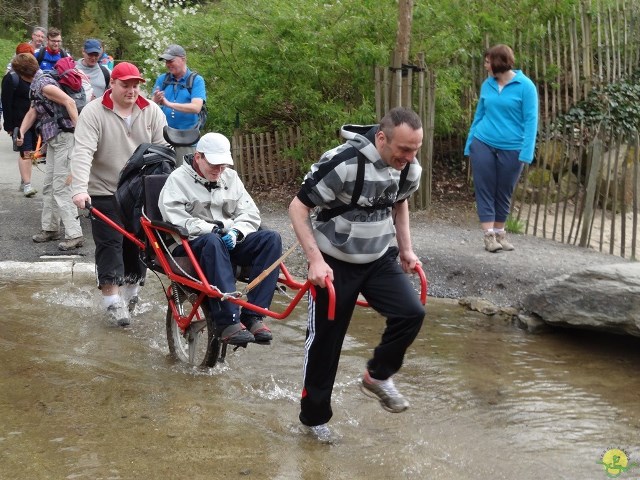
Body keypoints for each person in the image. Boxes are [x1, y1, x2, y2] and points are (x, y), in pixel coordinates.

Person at [288, 106, 426, 441]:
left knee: (411, 313)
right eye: (403, 150)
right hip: (333, 261)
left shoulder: (408, 169)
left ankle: (377, 376)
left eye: (415, 150)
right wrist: (314, 261)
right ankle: (314, 420)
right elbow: (298, 206)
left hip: (378, 256)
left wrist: (406, 249)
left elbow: (400, 203)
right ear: (382, 138)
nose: (409, 157)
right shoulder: (343, 162)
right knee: (326, 342)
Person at [159, 132, 282, 345]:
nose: (219, 170)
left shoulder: (230, 178)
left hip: (227, 240)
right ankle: (228, 321)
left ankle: (254, 314)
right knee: (213, 241)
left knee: (271, 239)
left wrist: (237, 232)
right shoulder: (178, 180)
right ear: (198, 157)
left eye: (223, 165)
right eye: (214, 165)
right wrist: (212, 230)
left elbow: (250, 213)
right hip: (191, 242)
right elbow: (175, 218)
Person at [70, 62, 168, 327]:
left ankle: (132, 293)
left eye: (136, 85)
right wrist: (79, 188)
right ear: (112, 83)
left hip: (139, 190)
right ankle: (112, 301)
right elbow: (82, 151)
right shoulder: (93, 113)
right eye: (125, 85)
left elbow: (163, 152)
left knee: (138, 243)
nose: (132, 90)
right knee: (110, 243)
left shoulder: (152, 111)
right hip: (103, 187)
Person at [464, 44, 539, 252]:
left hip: (512, 147)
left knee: (504, 190)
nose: (485, 66)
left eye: (488, 62)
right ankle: (489, 236)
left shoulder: (526, 87)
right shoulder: (487, 85)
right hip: (483, 142)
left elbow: (531, 121)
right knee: (484, 187)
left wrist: (527, 151)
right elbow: (479, 115)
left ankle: (500, 233)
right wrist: (470, 142)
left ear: (498, 62)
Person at [16, 53, 83, 251]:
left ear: (21, 74)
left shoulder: (44, 84)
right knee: (49, 186)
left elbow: (69, 102)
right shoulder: (37, 85)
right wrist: (21, 131)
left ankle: (74, 233)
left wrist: (80, 136)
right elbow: (33, 111)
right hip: (54, 140)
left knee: (62, 187)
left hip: (65, 138)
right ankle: (50, 228)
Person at [152, 44, 206, 166]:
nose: (168, 64)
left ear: (183, 59)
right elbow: (150, 106)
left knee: (186, 178)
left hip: (187, 140)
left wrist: (168, 104)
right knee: (163, 177)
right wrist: (155, 100)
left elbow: (196, 107)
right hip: (163, 139)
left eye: (171, 60)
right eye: (166, 61)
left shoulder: (196, 80)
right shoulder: (162, 79)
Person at [2, 44, 38, 197]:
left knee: (32, 153)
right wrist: (9, 127)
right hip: (18, 122)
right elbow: (6, 103)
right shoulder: (11, 79)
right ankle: (27, 185)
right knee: (26, 151)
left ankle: (24, 179)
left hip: (36, 122)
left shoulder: (37, 76)